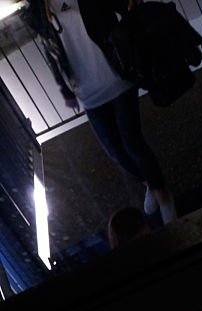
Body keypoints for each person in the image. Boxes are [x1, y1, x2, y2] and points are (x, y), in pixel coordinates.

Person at [22, 0, 177, 224]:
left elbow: (129, 7)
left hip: (118, 76)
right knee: (115, 152)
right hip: (88, 91)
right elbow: (50, 49)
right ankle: (150, 184)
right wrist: (64, 88)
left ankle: (163, 195)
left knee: (133, 143)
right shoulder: (39, 7)